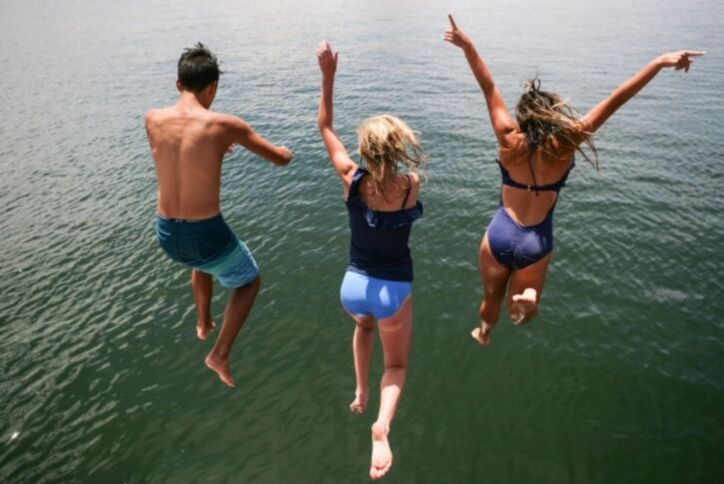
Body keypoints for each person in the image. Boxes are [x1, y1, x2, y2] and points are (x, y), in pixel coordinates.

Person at [444, 15, 704, 346]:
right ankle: (528, 301)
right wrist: (658, 62)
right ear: (552, 116)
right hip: (536, 241)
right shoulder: (565, 143)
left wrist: (468, 46)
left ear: (524, 115)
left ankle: (484, 332)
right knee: (522, 310)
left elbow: (489, 86)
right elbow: (617, 99)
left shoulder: (509, 139)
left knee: (491, 296)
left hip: (499, 234)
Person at [145, 43, 293, 387]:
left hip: (166, 234)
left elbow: (179, 150)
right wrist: (287, 152)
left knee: (203, 262)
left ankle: (202, 322)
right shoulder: (225, 125)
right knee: (249, 280)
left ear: (178, 84)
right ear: (212, 87)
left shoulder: (152, 119)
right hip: (205, 234)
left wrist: (215, 148)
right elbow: (279, 159)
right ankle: (220, 353)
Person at [317, 41, 424, 480]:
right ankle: (382, 425)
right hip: (392, 289)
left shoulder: (351, 179)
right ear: (398, 149)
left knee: (363, 328)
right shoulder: (410, 184)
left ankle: (361, 391)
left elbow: (324, 125)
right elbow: (401, 182)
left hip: (353, 286)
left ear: (364, 149)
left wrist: (328, 77)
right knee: (395, 364)